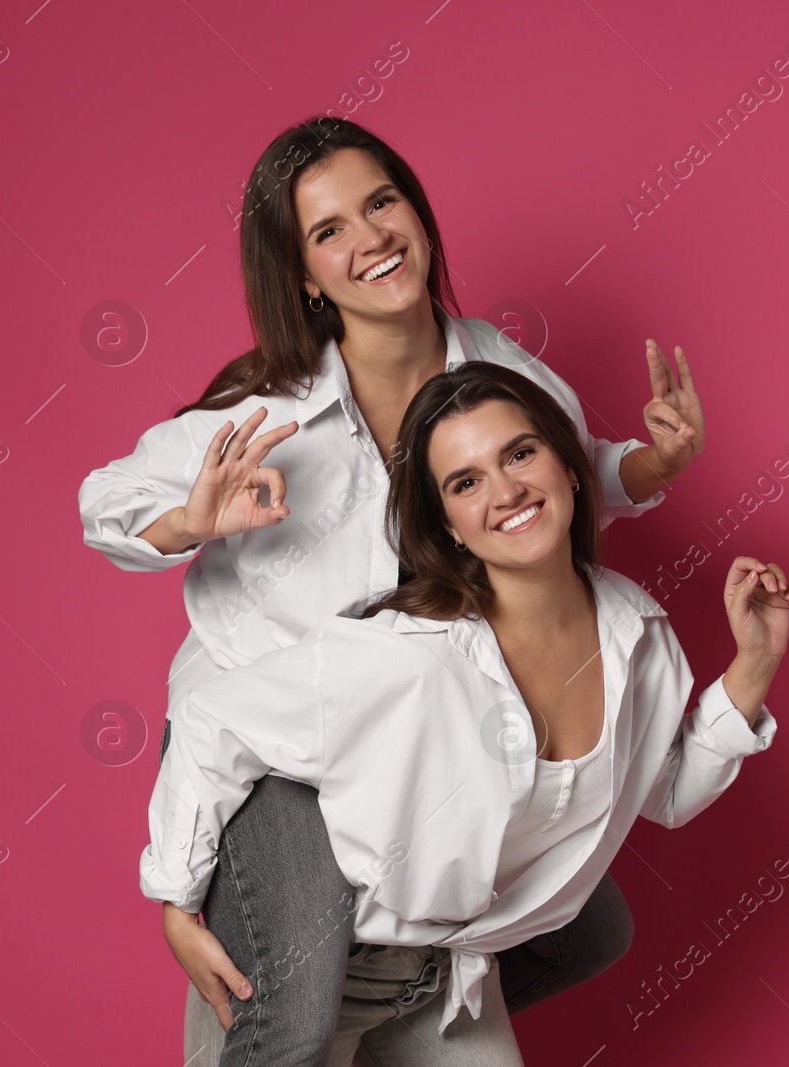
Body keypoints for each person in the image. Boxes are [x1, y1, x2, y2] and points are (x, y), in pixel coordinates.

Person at [78, 116, 706, 1066]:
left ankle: (368, 1021)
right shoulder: (269, 411)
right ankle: (294, 1010)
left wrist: (653, 466)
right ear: (302, 274)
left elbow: (558, 475)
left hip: (400, 723)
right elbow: (103, 505)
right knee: (287, 1018)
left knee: (586, 923)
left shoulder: (495, 365)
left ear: (416, 210)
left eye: (381, 202)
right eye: (329, 230)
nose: (369, 238)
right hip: (266, 744)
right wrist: (188, 524)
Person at [144, 360, 789, 1064]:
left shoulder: (639, 637)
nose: (507, 489)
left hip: (439, 984)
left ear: (570, 467)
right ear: (449, 525)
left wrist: (751, 669)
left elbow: (663, 791)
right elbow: (215, 717)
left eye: (519, 453)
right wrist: (176, 900)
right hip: (313, 974)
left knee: (599, 932)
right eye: (466, 481)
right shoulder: (414, 657)